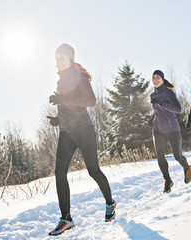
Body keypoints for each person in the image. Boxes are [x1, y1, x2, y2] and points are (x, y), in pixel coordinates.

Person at [47, 43, 116, 236]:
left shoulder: (81, 78)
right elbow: (67, 108)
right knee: (60, 172)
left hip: (84, 130)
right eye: (56, 58)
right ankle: (66, 218)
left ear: (70, 59)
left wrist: (64, 100)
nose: (59, 62)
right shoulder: (61, 82)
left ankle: (110, 203)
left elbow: (90, 101)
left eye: (62, 57)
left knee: (93, 170)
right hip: (66, 132)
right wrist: (57, 119)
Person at [150, 70, 191, 193]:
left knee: (177, 156)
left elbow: (178, 109)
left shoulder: (169, 92)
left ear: (162, 79)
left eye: (157, 77)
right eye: (153, 78)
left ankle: (186, 167)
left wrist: (163, 103)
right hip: (158, 129)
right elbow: (157, 111)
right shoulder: (152, 95)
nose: (155, 80)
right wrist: (151, 118)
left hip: (172, 128)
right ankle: (168, 180)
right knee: (160, 155)